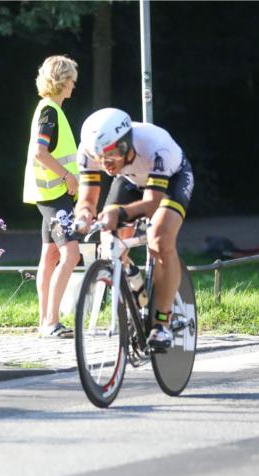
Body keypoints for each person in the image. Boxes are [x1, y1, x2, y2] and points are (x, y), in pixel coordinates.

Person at [73, 107, 194, 350]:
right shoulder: (89, 150)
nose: (106, 164)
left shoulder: (156, 146)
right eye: (100, 158)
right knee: (109, 246)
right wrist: (84, 215)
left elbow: (151, 204)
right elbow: (86, 200)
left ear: (126, 143)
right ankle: (133, 282)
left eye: (112, 155)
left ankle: (162, 323)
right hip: (130, 179)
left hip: (171, 180)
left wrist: (119, 214)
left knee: (159, 239)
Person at [22, 55, 82, 338]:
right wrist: (67, 176)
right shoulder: (50, 113)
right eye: (71, 80)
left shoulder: (47, 109)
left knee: (50, 256)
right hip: (55, 195)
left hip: (48, 195)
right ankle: (51, 322)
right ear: (61, 81)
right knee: (71, 254)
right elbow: (40, 152)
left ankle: (43, 319)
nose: (73, 86)